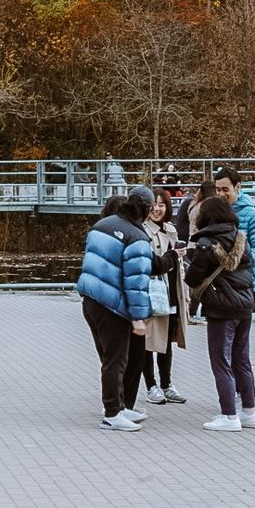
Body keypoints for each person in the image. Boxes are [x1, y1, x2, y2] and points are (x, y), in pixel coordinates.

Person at [76, 185, 158, 432]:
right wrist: (138, 317)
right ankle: (112, 413)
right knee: (116, 361)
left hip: (90, 301)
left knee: (111, 358)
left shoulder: (102, 225)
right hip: (113, 308)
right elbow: (136, 284)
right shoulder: (139, 238)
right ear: (146, 208)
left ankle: (120, 407)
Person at [185, 195, 255, 432]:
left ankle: (229, 415)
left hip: (221, 308)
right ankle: (249, 410)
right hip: (245, 306)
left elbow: (193, 277)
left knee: (221, 361)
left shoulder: (206, 243)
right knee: (242, 359)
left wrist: (188, 259)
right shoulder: (241, 238)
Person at [141, 190, 188, 405]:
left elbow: (179, 267)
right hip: (152, 292)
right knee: (149, 341)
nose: (157, 208)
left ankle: (167, 384)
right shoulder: (142, 231)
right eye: (154, 204)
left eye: (162, 204)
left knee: (167, 340)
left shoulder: (171, 230)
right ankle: (151, 386)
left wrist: (185, 294)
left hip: (171, 291)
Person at [215, 166, 255, 297]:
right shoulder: (214, 214)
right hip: (222, 283)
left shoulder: (254, 216)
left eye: (225, 189)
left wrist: (232, 260)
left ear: (237, 187)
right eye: (217, 190)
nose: (221, 194)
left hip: (248, 285)